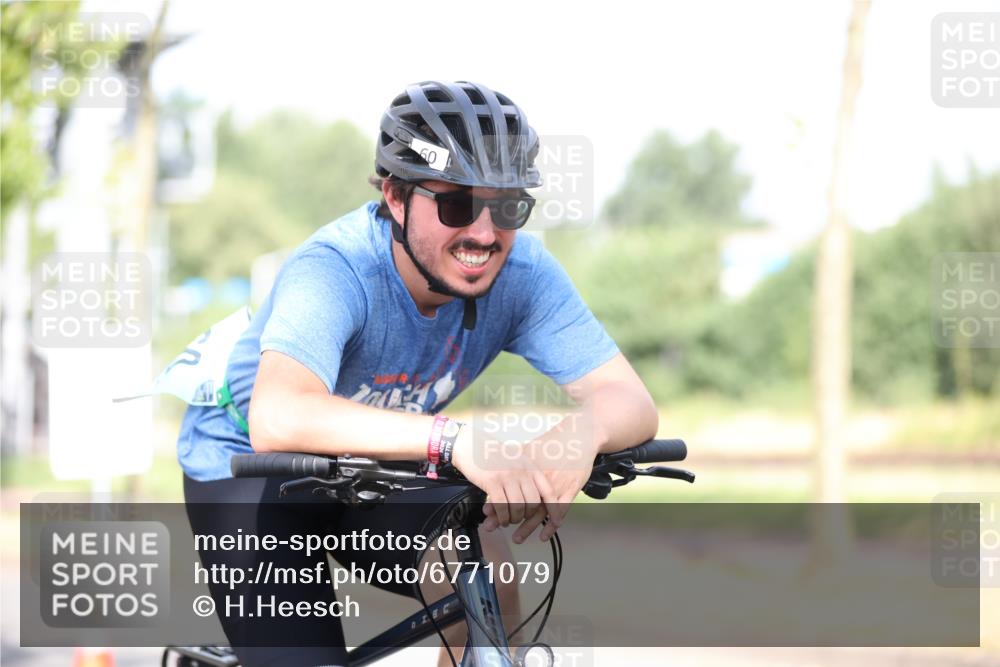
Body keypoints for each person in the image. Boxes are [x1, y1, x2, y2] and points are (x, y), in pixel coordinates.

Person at [177, 80, 659, 667]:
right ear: (394, 197)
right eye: (456, 204)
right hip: (248, 462)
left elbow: (629, 400)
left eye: (508, 207)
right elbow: (278, 417)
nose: (483, 233)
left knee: (488, 585)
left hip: (373, 456)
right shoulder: (337, 268)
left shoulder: (524, 274)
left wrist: (579, 437)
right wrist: (455, 439)